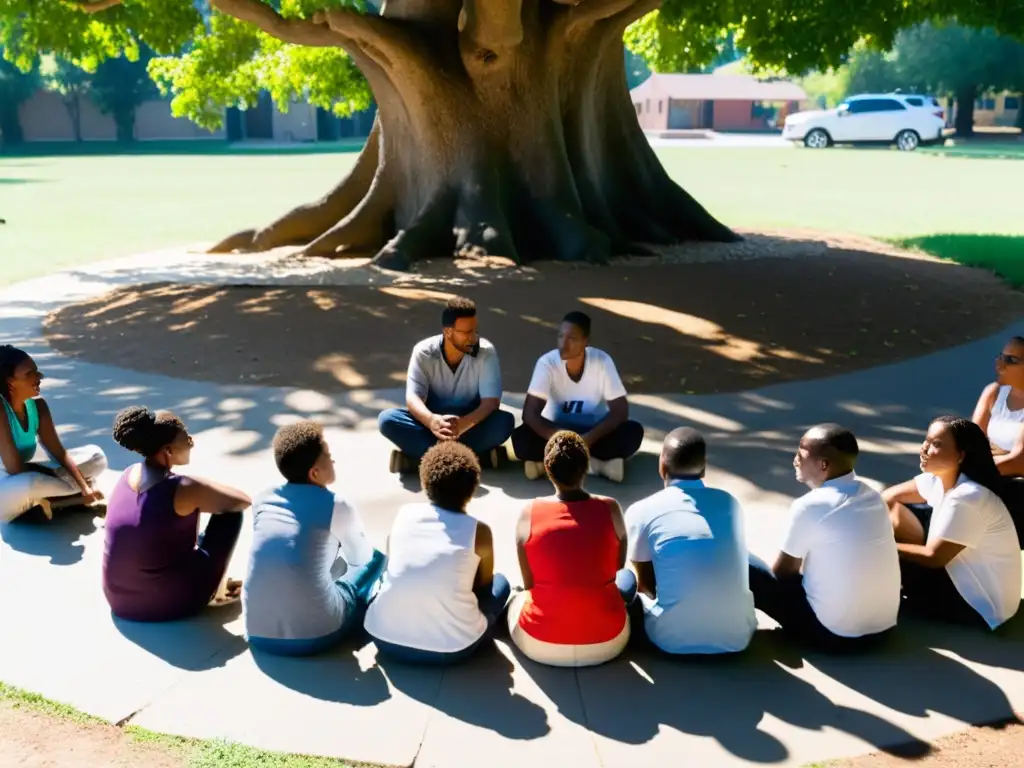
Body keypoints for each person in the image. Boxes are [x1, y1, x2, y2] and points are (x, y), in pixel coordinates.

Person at [749, 424, 900, 652]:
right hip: (883, 633)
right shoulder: (873, 495)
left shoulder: (809, 506)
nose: (795, 459)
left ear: (823, 465)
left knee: (744, 565)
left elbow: (783, 573)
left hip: (833, 637)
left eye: (801, 454)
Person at [244, 421, 386, 656]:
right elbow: (360, 559)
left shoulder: (262, 498)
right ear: (314, 473)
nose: (333, 460)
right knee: (377, 560)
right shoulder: (335, 504)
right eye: (328, 456)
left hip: (257, 633)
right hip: (316, 636)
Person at [365, 441, 510, 664]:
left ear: (425, 484)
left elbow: (392, 563)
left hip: (383, 638)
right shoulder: (479, 531)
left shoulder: (404, 514)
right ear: (473, 489)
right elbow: (484, 584)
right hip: (450, 650)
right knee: (502, 584)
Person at [103, 406, 250, 622]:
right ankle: (215, 592)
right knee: (230, 515)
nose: (192, 442)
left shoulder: (128, 473)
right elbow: (242, 501)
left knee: (180, 530)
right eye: (186, 438)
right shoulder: (182, 487)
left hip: (118, 600)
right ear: (168, 451)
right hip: (166, 605)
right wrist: (198, 485)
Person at [508, 431, 635, 667]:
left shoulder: (529, 512)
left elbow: (529, 584)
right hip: (608, 643)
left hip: (539, 643)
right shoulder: (611, 508)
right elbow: (617, 566)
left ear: (547, 468)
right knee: (626, 580)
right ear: (586, 466)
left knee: (514, 597)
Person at [625, 427, 756, 655]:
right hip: (738, 639)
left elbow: (645, 584)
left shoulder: (641, 510)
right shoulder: (730, 504)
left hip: (669, 641)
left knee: (625, 582)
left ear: (662, 465)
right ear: (704, 467)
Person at [883, 416, 1021, 630]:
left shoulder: (968, 496)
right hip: (960, 580)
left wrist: (880, 546)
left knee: (885, 557)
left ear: (960, 456)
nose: (925, 449)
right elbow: (887, 500)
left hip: (982, 607)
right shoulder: (940, 480)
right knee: (896, 514)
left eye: (936, 444)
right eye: (926, 441)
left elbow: (934, 557)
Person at [378, 296, 515, 474]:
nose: (473, 338)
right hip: (432, 427)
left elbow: (490, 403)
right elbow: (413, 399)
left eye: (476, 331)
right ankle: (477, 458)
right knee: (388, 420)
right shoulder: (424, 352)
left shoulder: (486, 352)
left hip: (471, 424)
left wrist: (463, 425)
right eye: (467, 333)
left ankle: (421, 459)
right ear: (448, 332)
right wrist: (432, 421)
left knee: (504, 423)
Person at [511, 312, 643, 483]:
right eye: (560, 336)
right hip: (556, 432)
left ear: (586, 341)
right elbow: (529, 413)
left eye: (572, 338)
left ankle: (551, 465)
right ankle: (598, 466)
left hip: (594, 435)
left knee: (632, 432)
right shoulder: (547, 363)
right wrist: (560, 438)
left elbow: (620, 411)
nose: (563, 344)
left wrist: (589, 438)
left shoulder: (602, 362)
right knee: (521, 440)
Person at [0, 344, 108, 522]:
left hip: (34, 476)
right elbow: (14, 469)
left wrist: (83, 486)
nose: (39, 377)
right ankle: (68, 498)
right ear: (9, 381)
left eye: (36, 371)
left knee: (97, 457)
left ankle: (54, 502)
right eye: (30, 374)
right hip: (8, 487)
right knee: (30, 483)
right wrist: (75, 484)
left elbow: (58, 451)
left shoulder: (38, 406)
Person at [972, 336, 1024, 543]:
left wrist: (968, 466)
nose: (1000, 364)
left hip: (1015, 494)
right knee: (891, 498)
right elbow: (970, 443)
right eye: (1001, 356)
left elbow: (1018, 462)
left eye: (1011, 360)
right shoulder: (993, 393)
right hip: (987, 481)